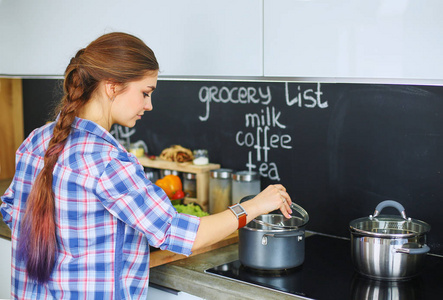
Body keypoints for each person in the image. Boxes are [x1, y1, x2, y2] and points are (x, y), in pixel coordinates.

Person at [0, 32, 292, 299]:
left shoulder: (36, 141)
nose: (149, 105)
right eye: (145, 92)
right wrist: (255, 205)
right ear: (113, 87)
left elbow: (16, 215)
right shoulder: (108, 162)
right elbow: (181, 235)